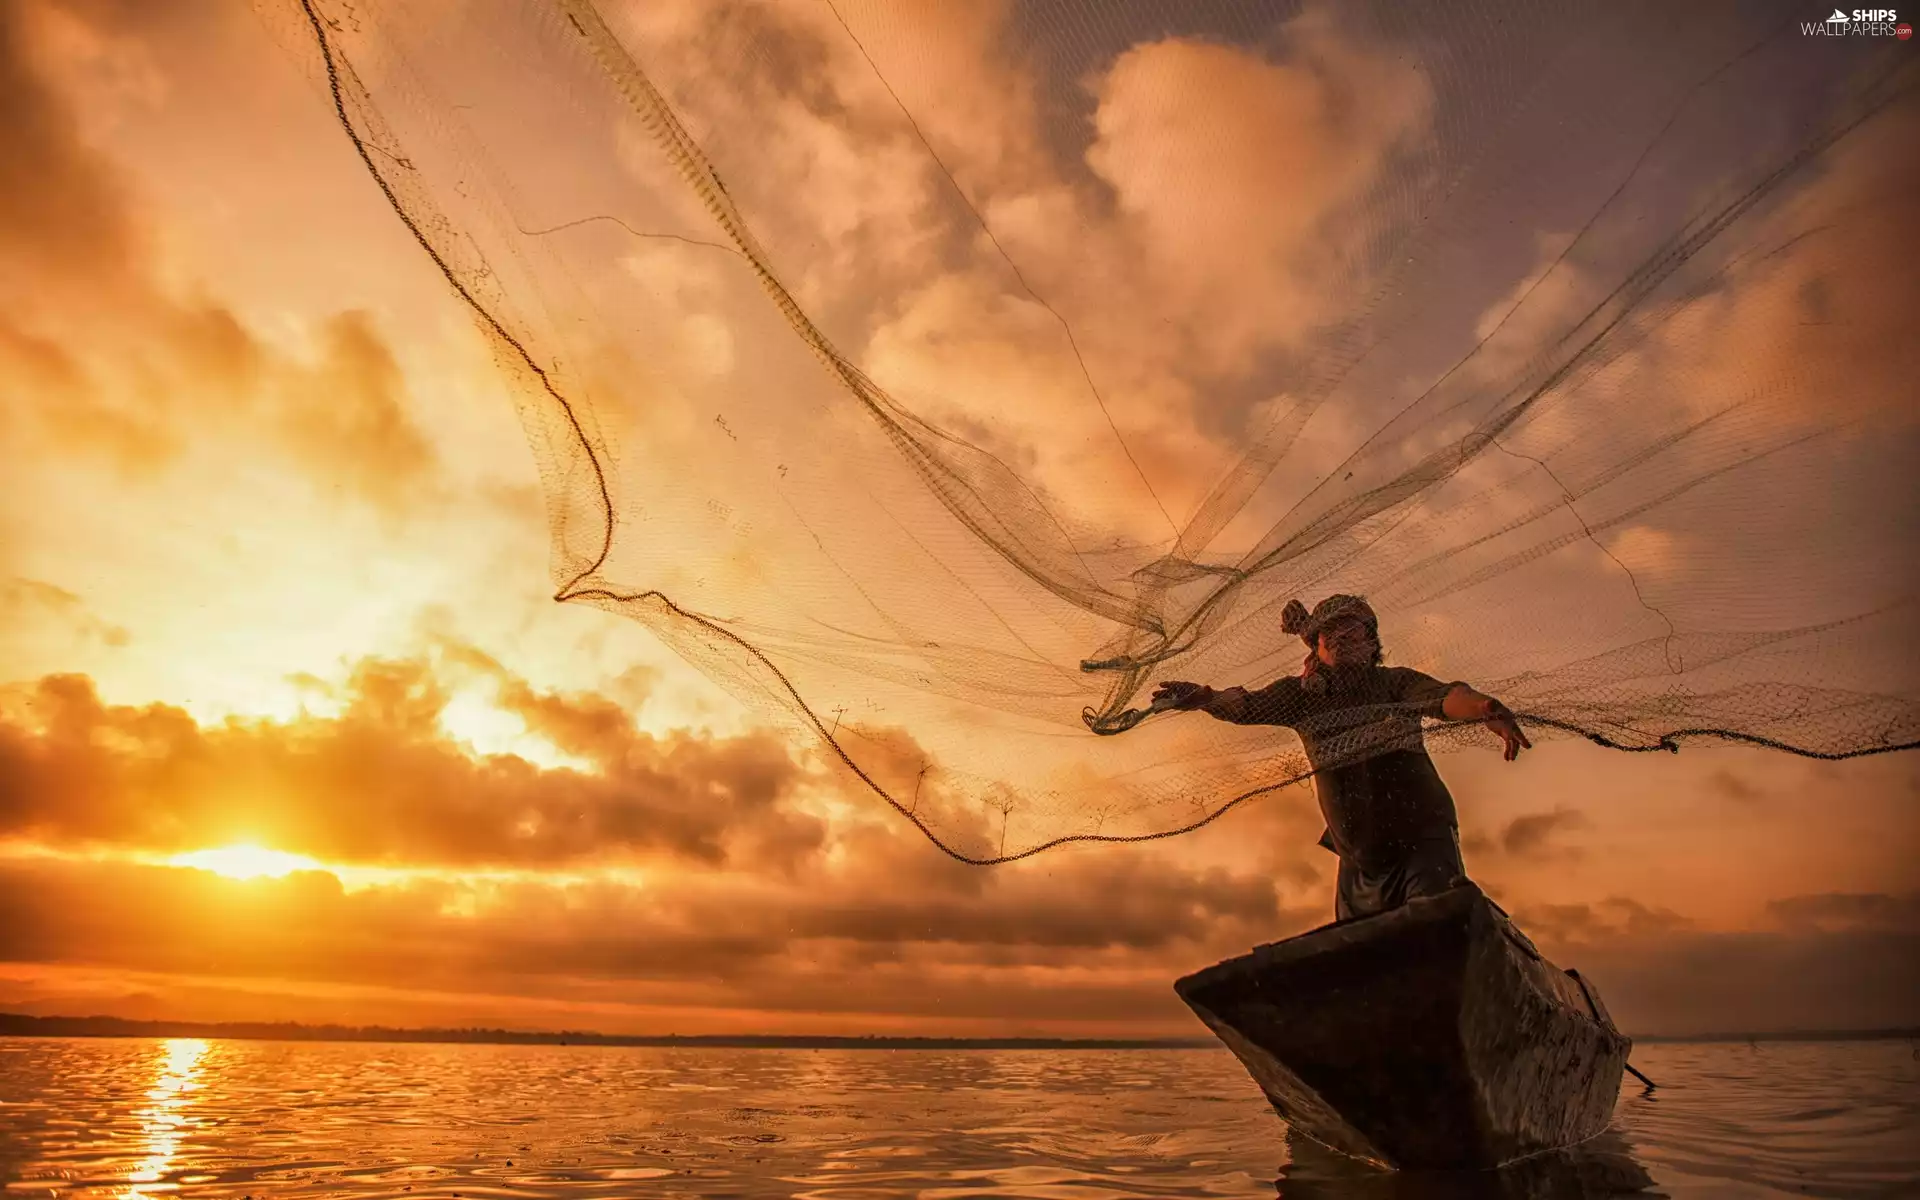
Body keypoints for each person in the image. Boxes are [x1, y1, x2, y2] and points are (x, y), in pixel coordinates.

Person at [1152, 594, 1530, 921]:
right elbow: (1245, 705)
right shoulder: (1300, 696)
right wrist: (1204, 698)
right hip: (1358, 863)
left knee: (1436, 929)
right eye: (1331, 631)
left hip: (1423, 846)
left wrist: (1484, 707)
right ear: (1316, 644)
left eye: (1355, 629)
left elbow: (1448, 697)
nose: (1343, 637)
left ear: (1372, 643)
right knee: (1366, 960)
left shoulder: (1394, 683)